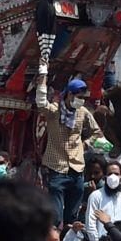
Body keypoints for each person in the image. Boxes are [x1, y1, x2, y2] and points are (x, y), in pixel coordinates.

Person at [35, 77, 103, 227]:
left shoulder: (83, 112)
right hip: (57, 167)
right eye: (79, 97)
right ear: (70, 95)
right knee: (56, 216)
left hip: (77, 168)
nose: (81, 101)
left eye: (83, 98)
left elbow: (97, 132)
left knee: (72, 217)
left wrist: (85, 144)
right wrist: (42, 81)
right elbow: (40, 103)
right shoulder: (54, 110)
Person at [86, 161, 121, 241]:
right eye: (110, 174)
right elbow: (90, 224)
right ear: (105, 176)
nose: (113, 177)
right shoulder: (95, 196)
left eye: (116, 174)